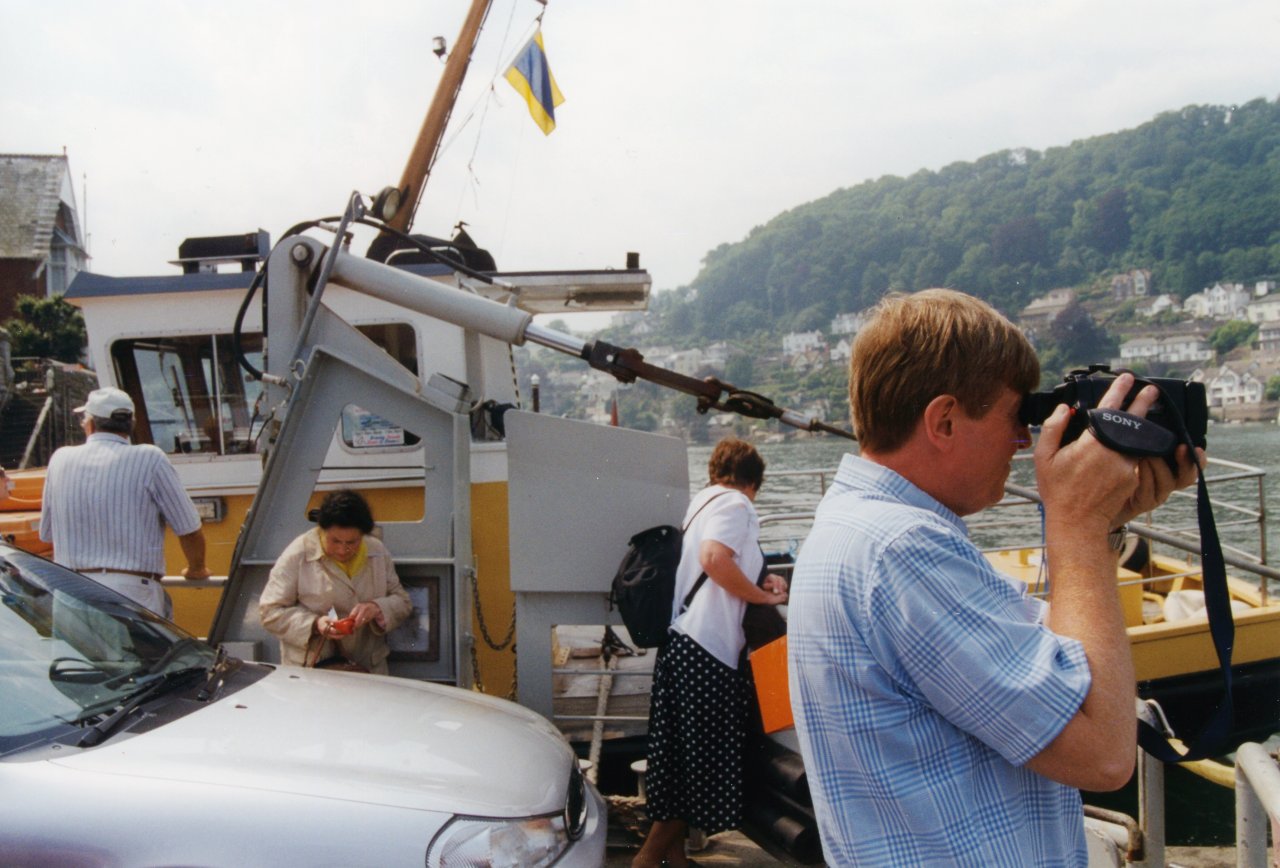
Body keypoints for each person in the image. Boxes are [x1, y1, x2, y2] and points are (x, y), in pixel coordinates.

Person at [788, 289, 1202, 866]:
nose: (1023, 442)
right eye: (1016, 417)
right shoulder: (903, 550)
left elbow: (1063, 663)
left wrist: (1103, 525)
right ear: (945, 420)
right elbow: (1104, 755)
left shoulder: (859, 529)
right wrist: (1078, 522)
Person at [633, 437, 790, 868]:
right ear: (752, 482)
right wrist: (761, 599)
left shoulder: (703, 502)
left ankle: (676, 858)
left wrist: (762, 580)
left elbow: (713, 561)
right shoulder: (738, 506)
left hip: (681, 643)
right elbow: (715, 558)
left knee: (677, 759)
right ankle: (646, 860)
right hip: (709, 651)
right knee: (700, 764)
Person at [39, 387, 210, 617]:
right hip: (131, 593)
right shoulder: (150, 458)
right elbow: (188, 528)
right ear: (131, 424)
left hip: (71, 591)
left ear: (90, 424)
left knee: (74, 655)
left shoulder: (59, 459)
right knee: (136, 654)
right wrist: (196, 568)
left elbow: (46, 534)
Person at [259, 489, 412, 674]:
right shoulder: (298, 553)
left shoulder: (377, 550)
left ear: (363, 536)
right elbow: (269, 612)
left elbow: (402, 601)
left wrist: (376, 608)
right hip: (313, 671)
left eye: (352, 542)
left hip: (368, 669)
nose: (342, 550)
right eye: (335, 541)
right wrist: (315, 625)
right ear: (322, 530)